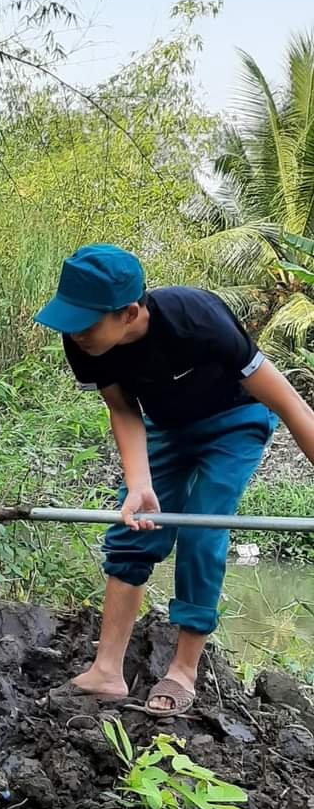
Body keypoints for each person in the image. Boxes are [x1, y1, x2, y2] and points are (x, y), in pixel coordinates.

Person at [35, 243, 314, 713]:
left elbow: (289, 404)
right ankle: (107, 671)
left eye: (84, 322)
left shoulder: (195, 317)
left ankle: (183, 671)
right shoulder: (84, 341)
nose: (74, 332)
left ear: (128, 312)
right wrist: (140, 482)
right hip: (166, 428)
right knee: (132, 531)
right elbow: (122, 409)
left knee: (203, 529)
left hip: (234, 421)